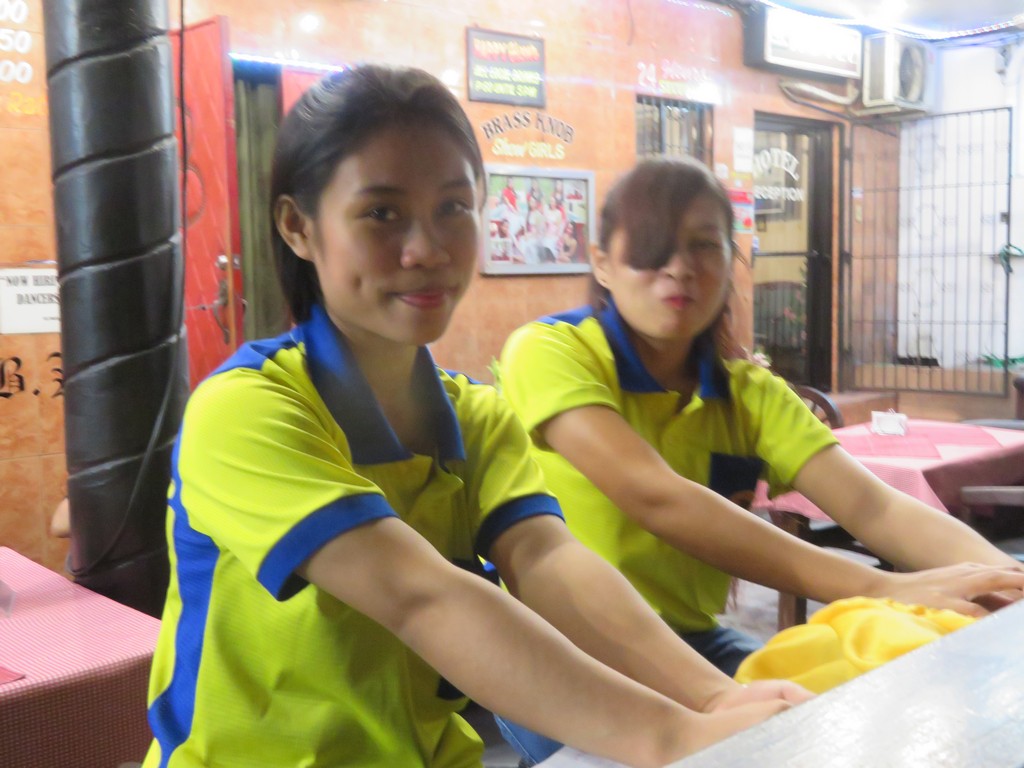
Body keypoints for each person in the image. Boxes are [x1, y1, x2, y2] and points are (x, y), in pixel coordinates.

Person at [142, 68, 809, 768]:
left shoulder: (475, 415)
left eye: (454, 207)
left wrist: (712, 699)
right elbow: (420, 596)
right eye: (382, 213)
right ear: (297, 227)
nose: (427, 249)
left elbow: (548, 560)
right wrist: (671, 736)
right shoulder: (245, 410)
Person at [495, 157, 1024, 762]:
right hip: (554, 650)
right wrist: (884, 586)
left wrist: (1004, 582)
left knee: (823, 729)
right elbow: (655, 496)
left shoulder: (749, 394)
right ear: (602, 263)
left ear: (731, 262)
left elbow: (874, 507)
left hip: (691, 644)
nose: (679, 267)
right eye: (650, 246)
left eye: (703, 246)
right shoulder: (549, 352)